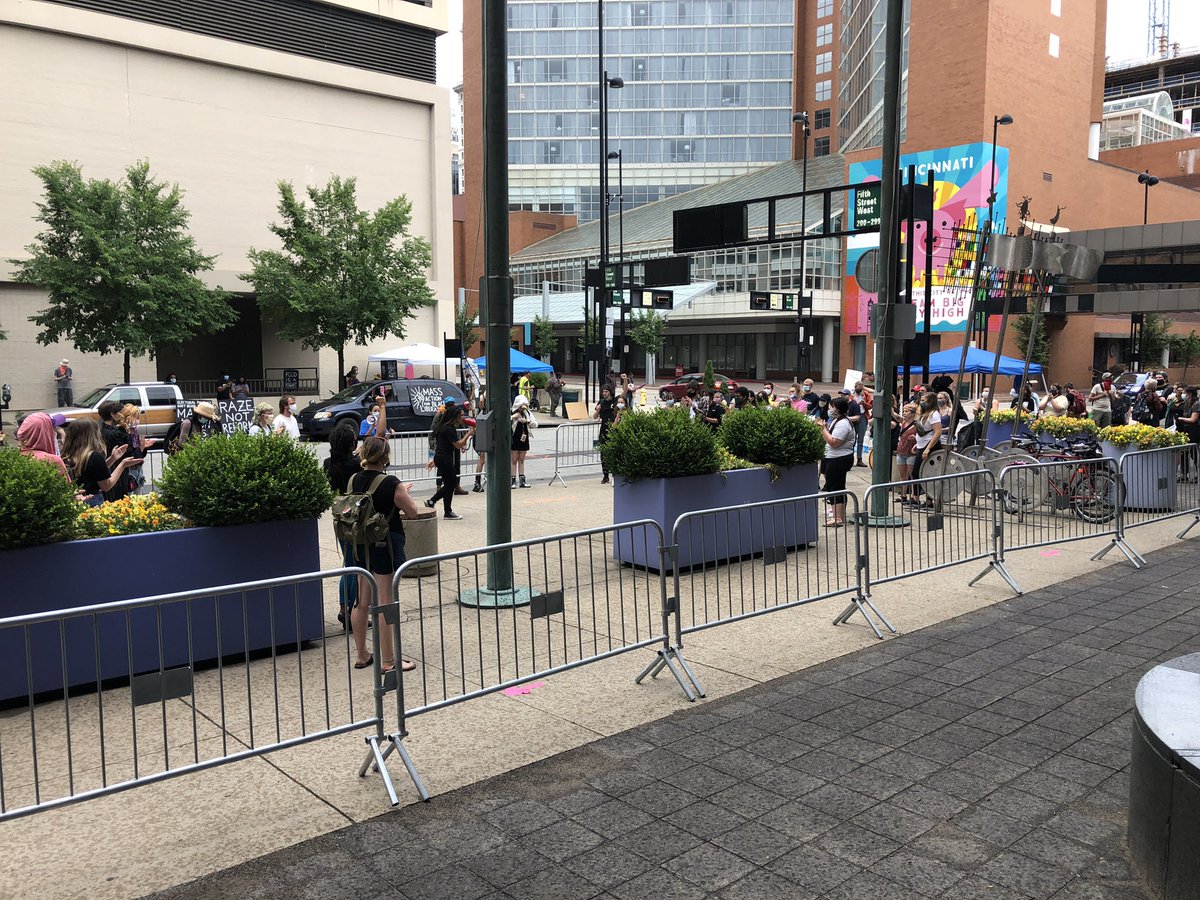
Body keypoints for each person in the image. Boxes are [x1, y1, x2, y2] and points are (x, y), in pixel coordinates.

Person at [346, 436, 420, 673]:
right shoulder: (391, 483)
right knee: (385, 600)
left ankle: (361, 655)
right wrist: (402, 493)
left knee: (361, 601)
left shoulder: (353, 480)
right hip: (384, 546)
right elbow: (413, 512)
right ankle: (388, 661)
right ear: (386, 457)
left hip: (360, 545)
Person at [324, 419, 362, 628]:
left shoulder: (328, 464)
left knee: (348, 563)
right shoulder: (355, 464)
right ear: (350, 444)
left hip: (339, 517)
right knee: (356, 566)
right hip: (355, 518)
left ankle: (343, 608)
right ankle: (350, 610)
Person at [60, 418, 141, 506]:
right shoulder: (94, 456)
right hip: (92, 499)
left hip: (75, 499)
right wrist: (122, 465)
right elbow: (106, 485)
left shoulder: (66, 455)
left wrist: (112, 458)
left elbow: (94, 472)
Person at [426, 401, 473, 515]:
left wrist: (435, 461)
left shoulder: (446, 427)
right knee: (450, 485)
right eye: (461, 415)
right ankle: (446, 510)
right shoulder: (449, 429)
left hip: (442, 458)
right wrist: (468, 434)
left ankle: (432, 501)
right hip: (444, 459)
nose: (463, 417)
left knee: (450, 484)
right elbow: (458, 445)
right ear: (455, 416)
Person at [820, 396, 856, 527]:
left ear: (837, 409)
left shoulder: (843, 424)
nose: (829, 409)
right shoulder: (838, 421)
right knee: (837, 486)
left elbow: (834, 442)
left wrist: (822, 429)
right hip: (835, 458)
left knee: (835, 487)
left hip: (839, 459)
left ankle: (837, 518)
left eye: (831, 407)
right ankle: (839, 516)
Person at [909, 391, 943, 506]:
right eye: (921, 400)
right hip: (921, 445)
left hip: (930, 446)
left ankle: (928, 500)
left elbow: (938, 432)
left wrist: (928, 448)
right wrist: (917, 444)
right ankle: (917, 498)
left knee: (927, 472)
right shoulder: (924, 413)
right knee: (917, 472)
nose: (922, 402)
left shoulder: (934, 414)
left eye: (924, 401)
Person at [15, 412, 70, 479]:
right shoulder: (53, 461)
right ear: (45, 433)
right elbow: (67, 488)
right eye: (51, 428)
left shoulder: (11, 459)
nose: (54, 432)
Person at [894, 403, 919, 504]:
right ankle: (903, 495)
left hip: (911, 452)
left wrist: (915, 438)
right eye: (903, 411)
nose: (904, 413)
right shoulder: (903, 422)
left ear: (913, 413)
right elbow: (896, 416)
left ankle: (913, 496)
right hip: (901, 450)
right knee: (902, 475)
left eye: (906, 411)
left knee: (912, 474)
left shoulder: (917, 424)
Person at [510, 395, 533, 489]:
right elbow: (505, 421)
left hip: (524, 438)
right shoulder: (512, 412)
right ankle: (512, 481)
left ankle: (522, 481)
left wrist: (527, 421)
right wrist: (514, 417)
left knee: (522, 460)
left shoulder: (527, 413)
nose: (523, 407)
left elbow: (535, 423)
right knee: (514, 460)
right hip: (514, 438)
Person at [594, 386, 617, 484]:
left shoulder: (615, 401)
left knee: (613, 453)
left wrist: (624, 380)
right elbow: (595, 417)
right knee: (603, 454)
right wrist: (598, 410)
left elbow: (624, 392)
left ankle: (615, 475)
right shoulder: (601, 402)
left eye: (606, 392)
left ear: (610, 392)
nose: (604, 393)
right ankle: (605, 475)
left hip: (612, 430)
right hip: (603, 430)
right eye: (603, 392)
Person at [851, 381, 872, 466]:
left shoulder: (866, 394)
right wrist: (856, 404)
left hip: (863, 416)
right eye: (858, 387)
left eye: (861, 387)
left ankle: (859, 459)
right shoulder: (851, 395)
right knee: (852, 439)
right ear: (855, 387)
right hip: (853, 417)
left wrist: (864, 404)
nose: (859, 389)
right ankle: (850, 459)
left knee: (861, 439)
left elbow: (870, 406)